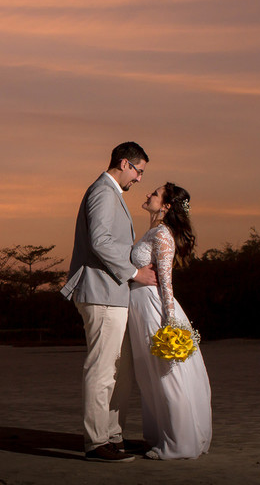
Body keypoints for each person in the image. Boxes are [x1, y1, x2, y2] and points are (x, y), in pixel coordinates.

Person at [60, 142, 157, 463]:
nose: (140, 179)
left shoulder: (110, 192)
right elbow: (100, 241)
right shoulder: (103, 191)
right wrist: (134, 273)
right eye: (139, 171)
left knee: (120, 369)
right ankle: (96, 442)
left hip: (114, 295)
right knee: (102, 369)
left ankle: (113, 436)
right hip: (101, 294)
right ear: (124, 163)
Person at [127, 182, 212, 459]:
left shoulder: (163, 234)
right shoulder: (153, 230)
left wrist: (170, 322)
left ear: (165, 206)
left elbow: (166, 280)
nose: (148, 194)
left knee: (166, 374)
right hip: (139, 306)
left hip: (154, 307)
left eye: (154, 193)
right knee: (148, 375)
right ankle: (158, 435)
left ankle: (178, 443)